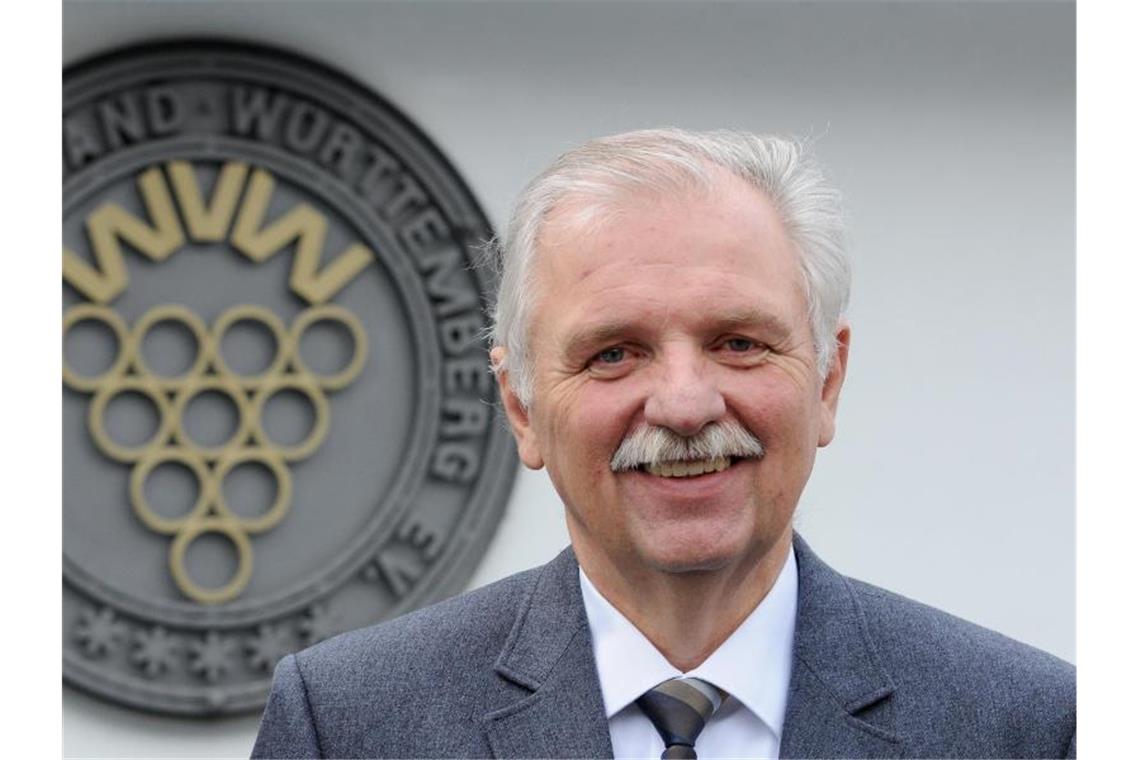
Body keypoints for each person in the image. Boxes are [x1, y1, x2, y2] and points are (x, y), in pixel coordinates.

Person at [251, 129, 1075, 759]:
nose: (685, 404)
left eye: (740, 342)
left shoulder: (1029, 726)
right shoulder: (351, 725)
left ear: (827, 381)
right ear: (522, 407)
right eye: (614, 353)